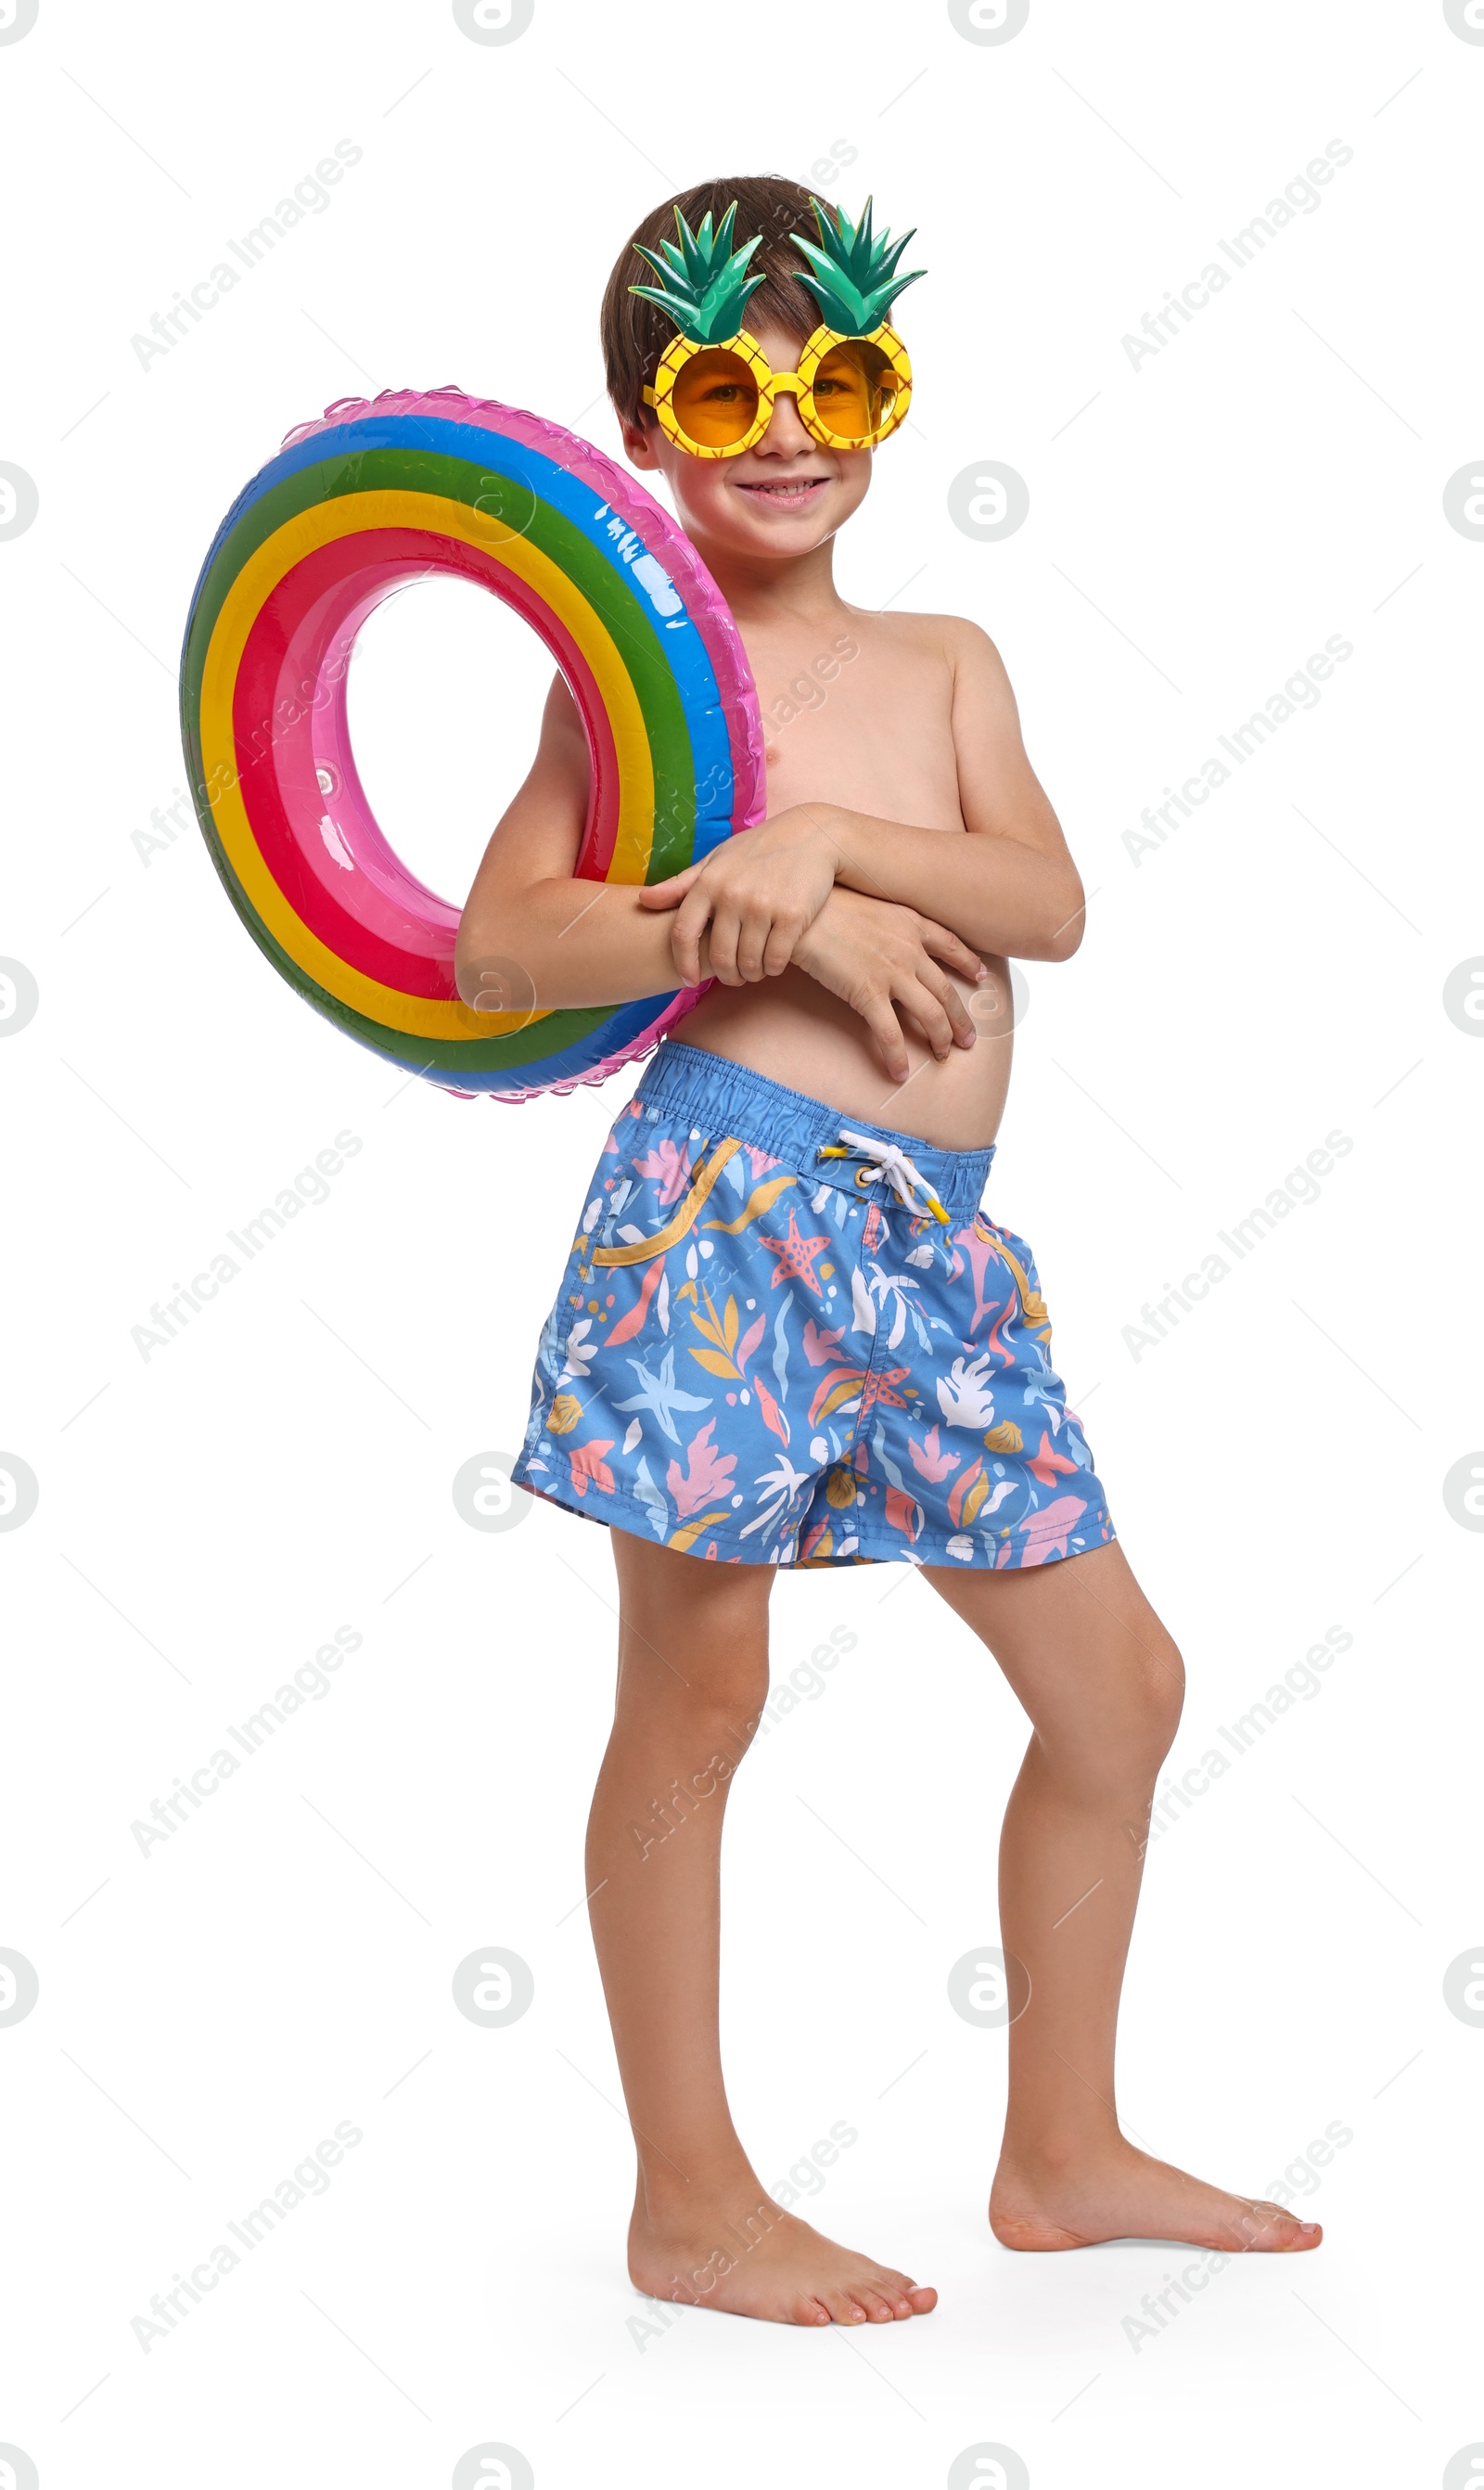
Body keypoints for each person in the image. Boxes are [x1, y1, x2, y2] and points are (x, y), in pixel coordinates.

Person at [456, 174, 1321, 2328]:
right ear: (640, 428)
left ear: (884, 397)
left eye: (830, 376)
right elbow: (495, 946)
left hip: (932, 1252)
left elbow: (1044, 902)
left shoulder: (943, 663)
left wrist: (830, 840)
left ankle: (1060, 2146)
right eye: (719, 385)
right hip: (721, 1215)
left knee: (1116, 1687)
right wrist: (753, 910)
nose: (781, 425)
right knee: (698, 1689)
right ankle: (691, 2194)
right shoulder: (632, 694)